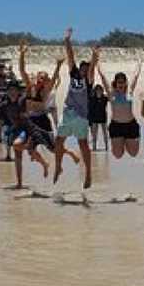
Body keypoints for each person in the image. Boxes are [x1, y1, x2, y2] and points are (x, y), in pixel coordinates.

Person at [17, 41, 81, 171]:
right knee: (27, 148)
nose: (40, 80)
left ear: (45, 81)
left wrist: (58, 65)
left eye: (43, 78)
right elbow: (22, 71)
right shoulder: (30, 88)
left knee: (53, 149)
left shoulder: (45, 91)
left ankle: (71, 153)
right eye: (39, 77)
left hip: (42, 121)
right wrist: (22, 54)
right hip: (30, 121)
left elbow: (53, 80)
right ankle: (45, 164)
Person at [0, 81, 50, 188]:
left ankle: (39, 159)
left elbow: (33, 99)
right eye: (10, 90)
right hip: (16, 131)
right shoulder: (4, 105)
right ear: (7, 92)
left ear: (18, 92)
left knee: (19, 146)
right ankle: (21, 182)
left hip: (28, 130)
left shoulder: (22, 101)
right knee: (19, 156)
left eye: (14, 90)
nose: (12, 92)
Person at [53, 28, 99, 189]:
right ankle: (58, 166)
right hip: (68, 112)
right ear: (80, 68)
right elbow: (70, 56)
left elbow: (93, 66)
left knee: (83, 144)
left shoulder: (89, 80)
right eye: (83, 67)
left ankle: (88, 174)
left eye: (87, 68)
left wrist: (95, 55)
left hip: (81, 116)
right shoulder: (73, 73)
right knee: (58, 141)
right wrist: (67, 40)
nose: (85, 69)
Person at [98, 60, 142, 159]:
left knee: (133, 153)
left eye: (123, 82)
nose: (121, 84)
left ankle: (128, 141)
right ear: (116, 83)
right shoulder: (111, 93)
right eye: (119, 82)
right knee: (118, 155)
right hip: (116, 126)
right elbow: (103, 76)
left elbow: (135, 76)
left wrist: (139, 63)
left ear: (126, 83)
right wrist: (97, 62)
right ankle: (122, 141)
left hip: (130, 124)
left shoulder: (129, 91)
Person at [88, 84, 109, 151]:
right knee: (94, 134)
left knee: (105, 132)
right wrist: (89, 119)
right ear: (95, 91)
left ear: (102, 90)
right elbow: (90, 109)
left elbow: (110, 95)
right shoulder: (92, 98)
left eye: (100, 90)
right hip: (94, 118)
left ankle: (106, 146)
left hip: (103, 117)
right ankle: (94, 147)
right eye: (97, 90)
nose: (99, 91)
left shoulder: (105, 98)